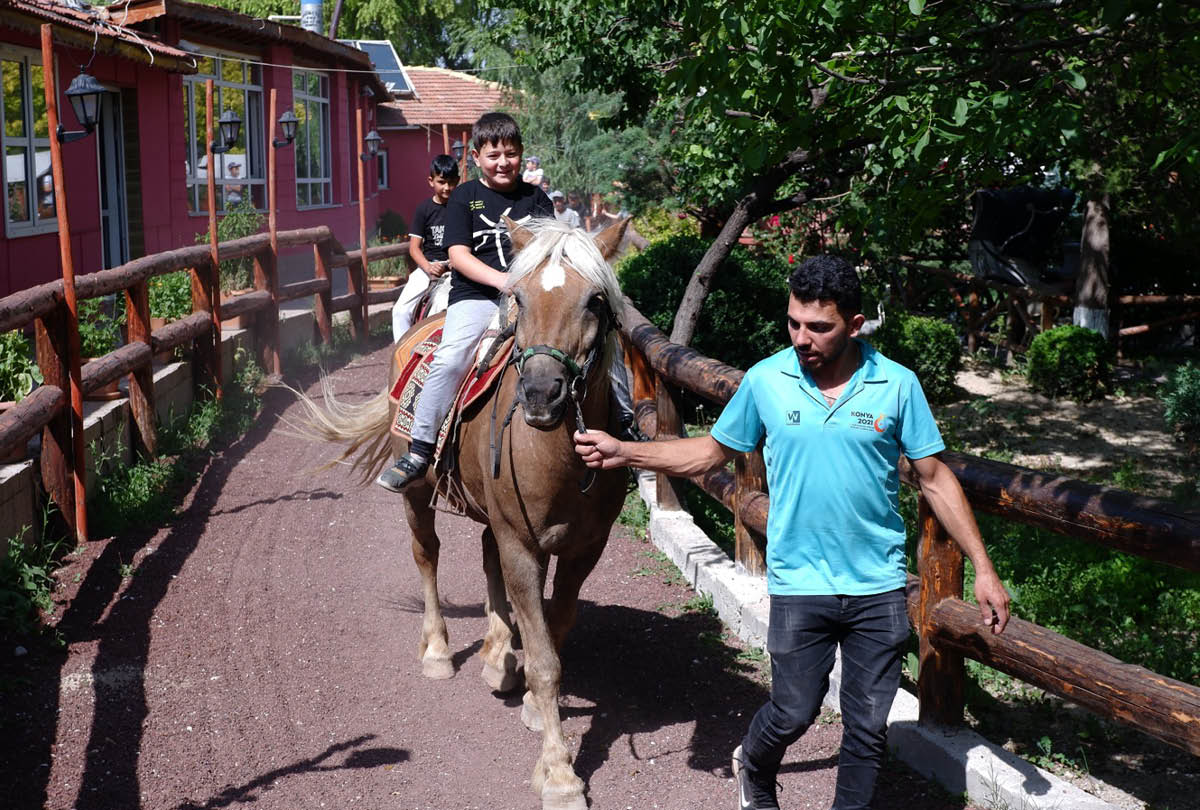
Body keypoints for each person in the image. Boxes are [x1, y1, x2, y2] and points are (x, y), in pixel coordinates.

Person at [573, 256, 1011, 810]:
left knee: (866, 726)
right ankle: (752, 765)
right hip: (799, 580)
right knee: (794, 710)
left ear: (855, 325)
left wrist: (985, 570)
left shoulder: (897, 385)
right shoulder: (766, 380)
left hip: (877, 584)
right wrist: (626, 451)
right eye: (794, 323)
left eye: (819, 327)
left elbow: (935, 479)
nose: (802, 338)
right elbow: (709, 452)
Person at [376, 112, 553, 491]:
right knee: (452, 357)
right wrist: (506, 282)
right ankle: (419, 449)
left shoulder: (536, 199)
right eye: (493, 155)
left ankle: (622, 423)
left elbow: (551, 250)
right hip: (477, 297)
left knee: (574, 344)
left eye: (510, 153)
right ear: (476, 157)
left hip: (530, 298)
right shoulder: (464, 196)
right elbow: (458, 256)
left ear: (522, 153)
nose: (503, 162)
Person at [391, 154, 459, 341]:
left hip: (458, 266)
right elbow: (414, 248)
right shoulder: (424, 210)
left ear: (458, 181)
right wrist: (429, 268)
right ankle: (403, 356)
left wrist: (458, 262)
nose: (447, 188)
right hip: (429, 266)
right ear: (431, 181)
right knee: (400, 311)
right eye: (442, 182)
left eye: (452, 182)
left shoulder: (462, 208)